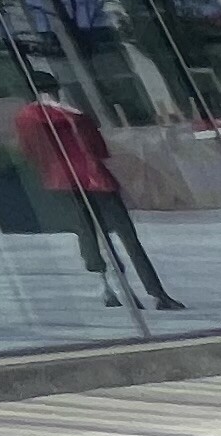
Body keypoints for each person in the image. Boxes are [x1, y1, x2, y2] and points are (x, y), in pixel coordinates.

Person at [11, 68, 181, 310]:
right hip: (97, 178)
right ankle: (157, 293)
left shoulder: (25, 118)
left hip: (63, 182)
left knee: (89, 234)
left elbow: (30, 153)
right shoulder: (76, 114)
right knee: (128, 236)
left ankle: (108, 286)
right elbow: (99, 148)